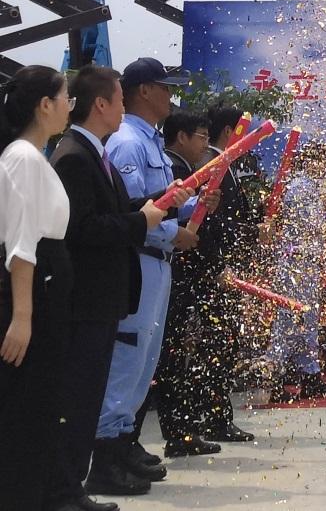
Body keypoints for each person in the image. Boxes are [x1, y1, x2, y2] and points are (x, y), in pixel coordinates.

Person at [49, 65, 179, 511]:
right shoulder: (74, 156)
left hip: (104, 296)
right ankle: (72, 487)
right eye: (120, 99)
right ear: (101, 104)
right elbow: (83, 228)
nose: (124, 107)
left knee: (92, 394)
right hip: (87, 298)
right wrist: (140, 221)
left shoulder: (94, 152)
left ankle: (79, 483)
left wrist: (159, 205)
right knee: (83, 397)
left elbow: (114, 208)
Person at [89, 58, 203, 497]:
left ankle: (123, 444)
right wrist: (175, 233)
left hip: (159, 262)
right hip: (140, 260)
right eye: (165, 87)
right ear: (144, 91)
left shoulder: (150, 142)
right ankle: (106, 455)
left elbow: (163, 202)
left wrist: (192, 206)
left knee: (144, 361)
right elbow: (135, 212)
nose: (171, 96)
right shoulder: (127, 143)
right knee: (127, 357)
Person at [0, 66, 73, 511]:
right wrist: (22, 316)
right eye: (66, 98)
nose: (69, 107)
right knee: (25, 412)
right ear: (45, 105)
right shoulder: (23, 158)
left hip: (48, 284)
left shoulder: (34, 156)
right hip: (34, 291)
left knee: (41, 409)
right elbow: (21, 244)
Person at [140, 110, 222, 458]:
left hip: (176, 268)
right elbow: (151, 215)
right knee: (163, 357)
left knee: (171, 356)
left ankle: (179, 431)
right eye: (201, 136)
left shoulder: (184, 169)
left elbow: (178, 211)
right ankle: (163, 434)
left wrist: (199, 205)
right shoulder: (173, 167)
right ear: (182, 137)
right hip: (169, 267)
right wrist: (178, 233)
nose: (206, 144)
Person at [187, 102, 259, 443]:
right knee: (216, 344)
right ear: (231, 131)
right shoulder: (211, 166)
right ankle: (212, 417)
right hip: (213, 273)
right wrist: (218, 267)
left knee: (225, 344)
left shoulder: (225, 166)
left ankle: (215, 415)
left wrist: (257, 231)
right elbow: (206, 225)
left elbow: (234, 222)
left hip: (226, 270)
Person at [263, 141, 326, 401]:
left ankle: (310, 375)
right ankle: (273, 378)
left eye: (325, 162)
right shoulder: (299, 188)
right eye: (319, 161)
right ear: (308, 161)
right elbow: (309, 224)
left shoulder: (311, 188)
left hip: (307, 263)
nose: (323, 167)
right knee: (287, 319)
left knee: (308, 321)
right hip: (295, 263)